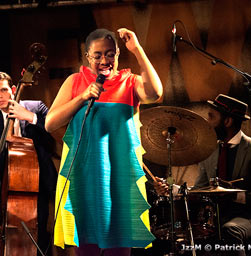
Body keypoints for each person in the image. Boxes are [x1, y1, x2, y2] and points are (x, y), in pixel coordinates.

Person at [45, 28, 163, 256]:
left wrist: (137, 50)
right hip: (84, 178)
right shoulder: (75, 81)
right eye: (97, 55)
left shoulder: (130, 82)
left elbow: (155, 92)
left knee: (119, 249)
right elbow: (50, 123)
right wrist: (82, 97)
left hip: (120, 179)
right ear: (87, 56)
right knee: (87, 248)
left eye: (110, 54)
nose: (104, 60)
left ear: (118, 53)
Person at [154, 94, 251, 255]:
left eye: (211, 117)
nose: (207, 122)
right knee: (184, 234)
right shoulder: (211, 151)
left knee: (229, 230)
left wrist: (234, 195)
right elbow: (200, 190)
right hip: (216, 219)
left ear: (227, 121)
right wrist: (170, 188)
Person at [0, 71, 58, 255]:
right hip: (12, 188)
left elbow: (57, 130)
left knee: (43, 233)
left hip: (42, 183)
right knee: (11, 234)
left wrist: (30, 117)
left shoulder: (35, 107)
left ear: (13, 89)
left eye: (3, 90)